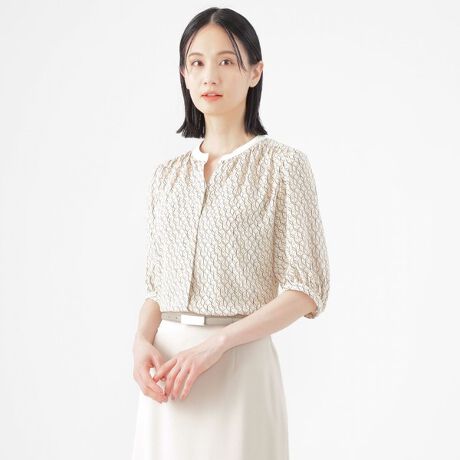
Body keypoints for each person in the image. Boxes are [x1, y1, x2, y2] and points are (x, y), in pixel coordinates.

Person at [131, 7, 330, 460]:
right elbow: (155, 290)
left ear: (255, 71)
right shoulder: (166, 177)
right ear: (184, 75)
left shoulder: (283, 166)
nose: (210, 76)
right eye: (197, 62)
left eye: (226, 60)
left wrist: (218, 344)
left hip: (239, 368)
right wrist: (140, 342)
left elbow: (306, 290)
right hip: (167, 378)